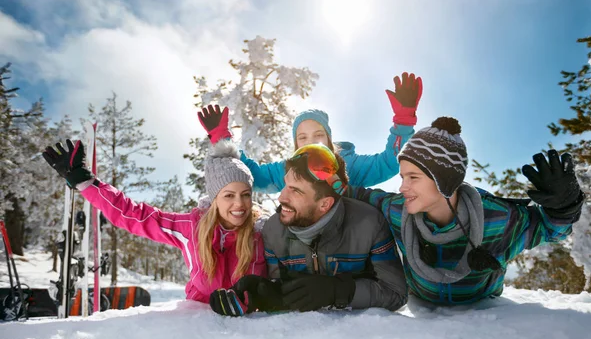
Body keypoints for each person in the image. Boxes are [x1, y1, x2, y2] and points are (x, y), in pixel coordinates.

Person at [346, 116, 585, 304]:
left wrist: (564, 206)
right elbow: (356, 193)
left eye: (413, 177)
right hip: (422, 317)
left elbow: (551, 229)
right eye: (402, 177)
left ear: (444, 180)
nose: (402, 187)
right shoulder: (398, 209)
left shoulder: (499, 218)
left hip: (484, 317)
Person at [42, 138, 269, 315]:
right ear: (214, 199)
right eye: (229, 195)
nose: (239, 204)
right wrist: (86, 183)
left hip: (248, 329)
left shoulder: (261, 234)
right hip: (198, 324)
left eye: (245, 195)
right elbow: (135, 215)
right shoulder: (191, 228)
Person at [229, 143, 408, 314]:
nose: (282, 197)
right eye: (285, 185)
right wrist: (262, 293)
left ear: (325, 204)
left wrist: (338, 290)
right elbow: (279, 286)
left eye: (295, 190)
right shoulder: (273, 231)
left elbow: (396, 293)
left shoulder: (369, 225)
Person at [197, 72, 423, 192]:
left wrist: (403, 123)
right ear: (296, 144)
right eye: (302, 137)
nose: (311, 142)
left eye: (318, 135)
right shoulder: (287, 170)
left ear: (329, 138)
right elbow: (252, 176)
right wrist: (222, 139)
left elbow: (388, 163)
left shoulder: (348, 165)